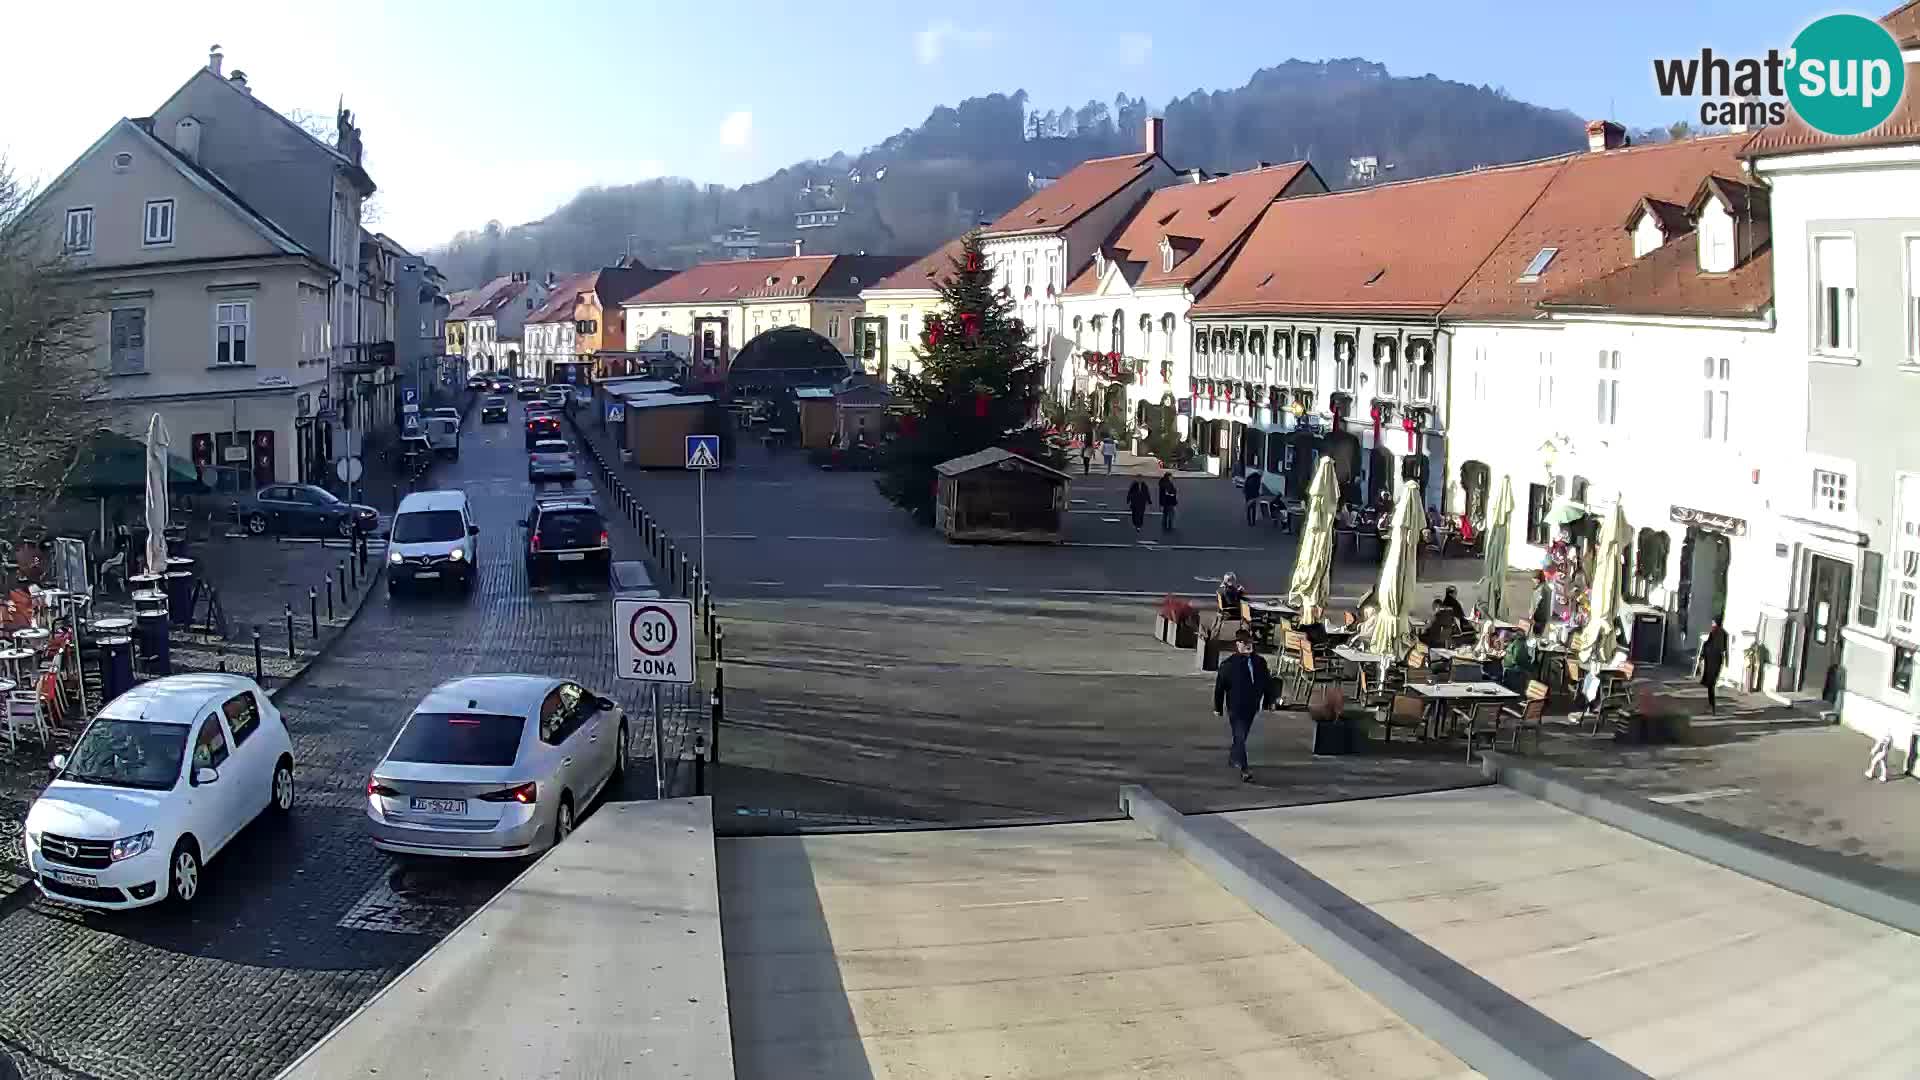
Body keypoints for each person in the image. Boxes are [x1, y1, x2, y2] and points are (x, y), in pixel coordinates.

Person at [1213, 631, 1273, 783]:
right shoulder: (1228, 665)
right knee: (1239, 735)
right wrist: (1218, 707)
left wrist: (1269, 701)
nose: (1248, 646)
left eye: (1250, 643)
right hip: (1235, 707)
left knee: (1241, 736)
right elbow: (1219, 688)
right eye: (1244, 643)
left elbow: (1267, 683)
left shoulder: (1260, 662)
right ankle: (1245, 769)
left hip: (1252, 706)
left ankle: (1234, 757)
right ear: (1237, 644)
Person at [1700, 614, 1729, 715]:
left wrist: (1702, 655)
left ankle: (1712, 707)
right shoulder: (1723, 633)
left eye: (1713, 622)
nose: (1711, 623)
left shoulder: (1715, 632)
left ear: (1716, 622)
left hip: (1712, 661)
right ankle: (1711, 706)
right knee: (1710, 684)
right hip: (1716, 661)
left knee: (1710, 684)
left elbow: (1709, 644)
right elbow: (1724, 649)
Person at [1529, 570, 1554, 636]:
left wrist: (1532, 615)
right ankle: (1537, 633)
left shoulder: (1541, 589)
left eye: (1533, 579)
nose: (1532, 580)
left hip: (1541, 618)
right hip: (1540, 618)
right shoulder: (1543, 588)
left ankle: (1538, 633)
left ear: (1538, 579)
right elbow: (1537, 604)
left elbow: (1537, 603)